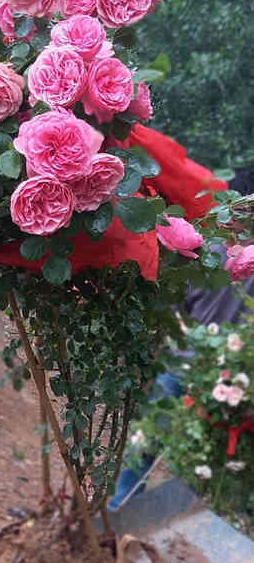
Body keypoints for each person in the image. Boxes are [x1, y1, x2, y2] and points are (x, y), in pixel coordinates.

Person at [108, 168, 254, 510]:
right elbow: (174, 305)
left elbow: (174, 306)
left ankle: (136, 513)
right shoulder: (202, 250)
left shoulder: (204, 249)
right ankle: (125, 510)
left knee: (168, 450)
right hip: (212, 376)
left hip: (213, 377)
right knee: (170, 450)